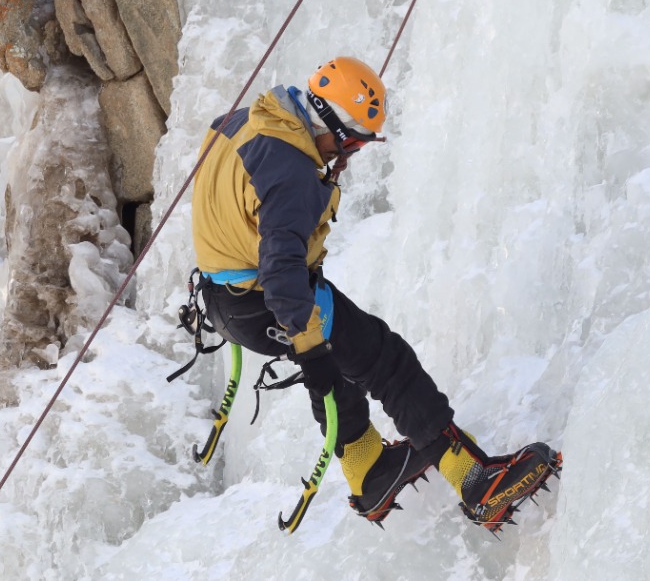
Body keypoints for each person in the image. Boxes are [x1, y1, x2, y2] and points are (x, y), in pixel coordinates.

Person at [190, 56, 558, 530]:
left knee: (346, 357)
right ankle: (476, 482)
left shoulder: (244, 120)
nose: (348, 157)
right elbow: (282, 272)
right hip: (266, 300)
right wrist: (311, 350)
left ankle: (368, 470)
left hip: (221, 296)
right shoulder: (293, 177)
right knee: (386, 362)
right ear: (334, 128)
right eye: (353, 145)